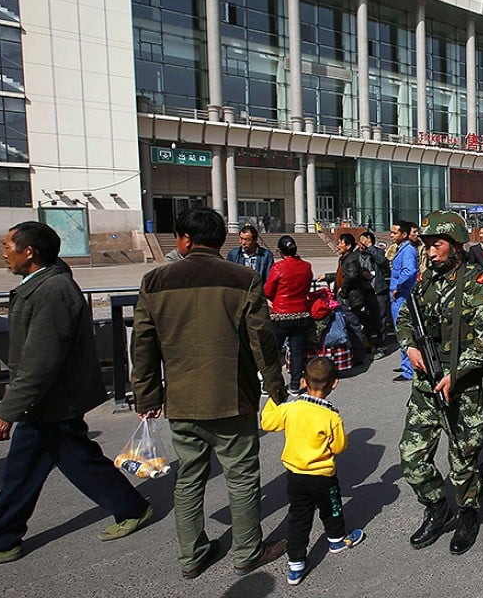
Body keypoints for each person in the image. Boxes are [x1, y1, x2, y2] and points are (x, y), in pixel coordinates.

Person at [0, 222, 152, 569]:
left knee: (26, 472)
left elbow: (40, 360)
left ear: (29, 252)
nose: (4, 253)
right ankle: (132, 507)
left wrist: (6, 410)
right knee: (69, 461)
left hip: (50, 399)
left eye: (8, 246)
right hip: (49, 401)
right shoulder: (42, 285)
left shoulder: (53, 291)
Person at [132, 207, 288, 579]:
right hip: (233, 395)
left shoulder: (154, 282)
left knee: (188, 477)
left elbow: (143, 345)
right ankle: (247, 550)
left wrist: (148, 397)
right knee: (242, 474)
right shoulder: (243, 278)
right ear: (222, 240)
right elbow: (261, 340)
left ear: (184, 240)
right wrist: (276, 387)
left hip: (182, 400)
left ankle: (192, 555)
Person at [395, 212, 483, 556]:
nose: (429, 250)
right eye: (425, 244)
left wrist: (456, 372)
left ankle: (468, 512)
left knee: (464, 460)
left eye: (436, 243)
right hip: (426, 388)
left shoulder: (479, 283)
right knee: (411, 457)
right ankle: (437, 508)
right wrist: (409, 345)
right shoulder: (427, 281)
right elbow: (405, 317)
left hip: (463, 390)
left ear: (456, 246)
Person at [260, 356, 365, 586]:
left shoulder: (291, 409)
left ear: (304, 382)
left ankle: (296, 564)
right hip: (322, 476)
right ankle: (337, 539)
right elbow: (339, 446)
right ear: (334, 383)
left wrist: (273, 399)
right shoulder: (331, 416)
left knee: (299, 516)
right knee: (332, 509)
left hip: (295, 475)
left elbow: (267, 424)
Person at [265, 235, 314, 395]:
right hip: (300, 313)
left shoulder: (278, 267)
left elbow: (268, 291)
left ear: (280, 251)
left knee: (274, 351)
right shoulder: (306, 266)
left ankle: (270, 385)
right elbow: (306, 288)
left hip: (281, 314)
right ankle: (294, 384)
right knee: (297, 351)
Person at [330, 233, 380, 361]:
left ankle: (359, 355)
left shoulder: (351, 258)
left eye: (341, 243)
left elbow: (351, 275)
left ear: (348, 246)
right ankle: (358, 353)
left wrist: (343, 290)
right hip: (348, 296)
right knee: (351, 324)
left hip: (350, 298)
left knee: (353, 325)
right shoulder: (346, 257)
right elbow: (342, 275)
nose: (339, 245)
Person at [389, 221, 419, 382]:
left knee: (404, 331)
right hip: (398, 296)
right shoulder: (402, 249)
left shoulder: (408, 250)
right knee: (401, 331)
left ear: (404, 234)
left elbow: (409, 271)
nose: (392, 236)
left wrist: (398, 286)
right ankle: (406, 363)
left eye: (394, 233)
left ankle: (409, 369)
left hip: (402, 296)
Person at [358, 231, 390, 356]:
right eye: (360, 241)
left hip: (378, 291)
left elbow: (382, 261)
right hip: (364, 291)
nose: (361, 244)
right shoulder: (358, 254)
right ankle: (368, 344)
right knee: (366, 320)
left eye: (364, 241)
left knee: (380, 319)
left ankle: (382, 346)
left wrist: (370, 247)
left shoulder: (378, 252)